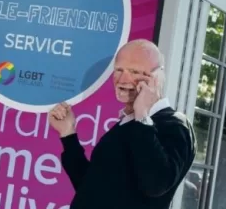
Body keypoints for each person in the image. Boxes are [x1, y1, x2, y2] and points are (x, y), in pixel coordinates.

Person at [48, 39, 195, 209]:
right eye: (119, 70)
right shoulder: (128, 124)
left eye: (134, 71)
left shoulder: (176, 125)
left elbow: (156, 184)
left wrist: (142, 116)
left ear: (157, 78)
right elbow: (90, 188)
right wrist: (68, 134)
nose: (123, 79)